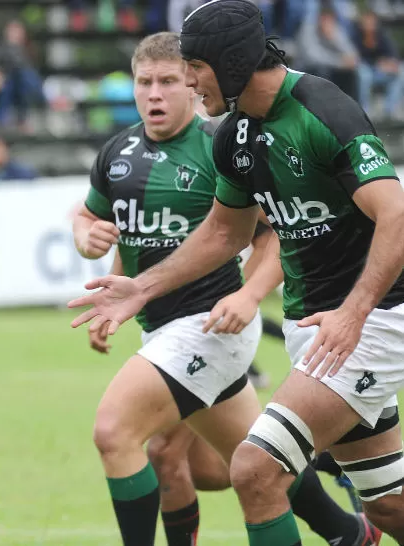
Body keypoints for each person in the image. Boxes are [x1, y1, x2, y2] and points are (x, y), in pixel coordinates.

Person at [70, 1, 404, 544]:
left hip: (372, 324)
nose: (189, 83)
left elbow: (396, 216)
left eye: (194, 69)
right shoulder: (235, 135)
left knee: (254, 469)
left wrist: (354, 312)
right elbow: (225, 234)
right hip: (315, 330)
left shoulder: (322, 107)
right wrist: (142, 287)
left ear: (229, 64)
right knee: (389, 508)